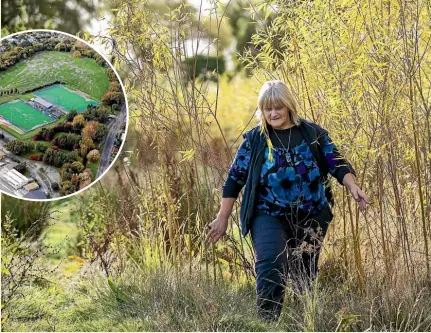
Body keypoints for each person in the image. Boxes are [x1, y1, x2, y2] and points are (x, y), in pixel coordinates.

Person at [205, 80, 370, 321]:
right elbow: (234, 179)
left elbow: (337, 163)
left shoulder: (313, 134)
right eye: (267, 108)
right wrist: (222, 217)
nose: (273, 113)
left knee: (304, 274)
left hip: (312, 214)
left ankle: (306, 321)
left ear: (289, 106)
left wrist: (352, 185)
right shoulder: (255, 140)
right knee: (271, 263)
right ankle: (267, 323)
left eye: (278, 108)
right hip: (268, 214)